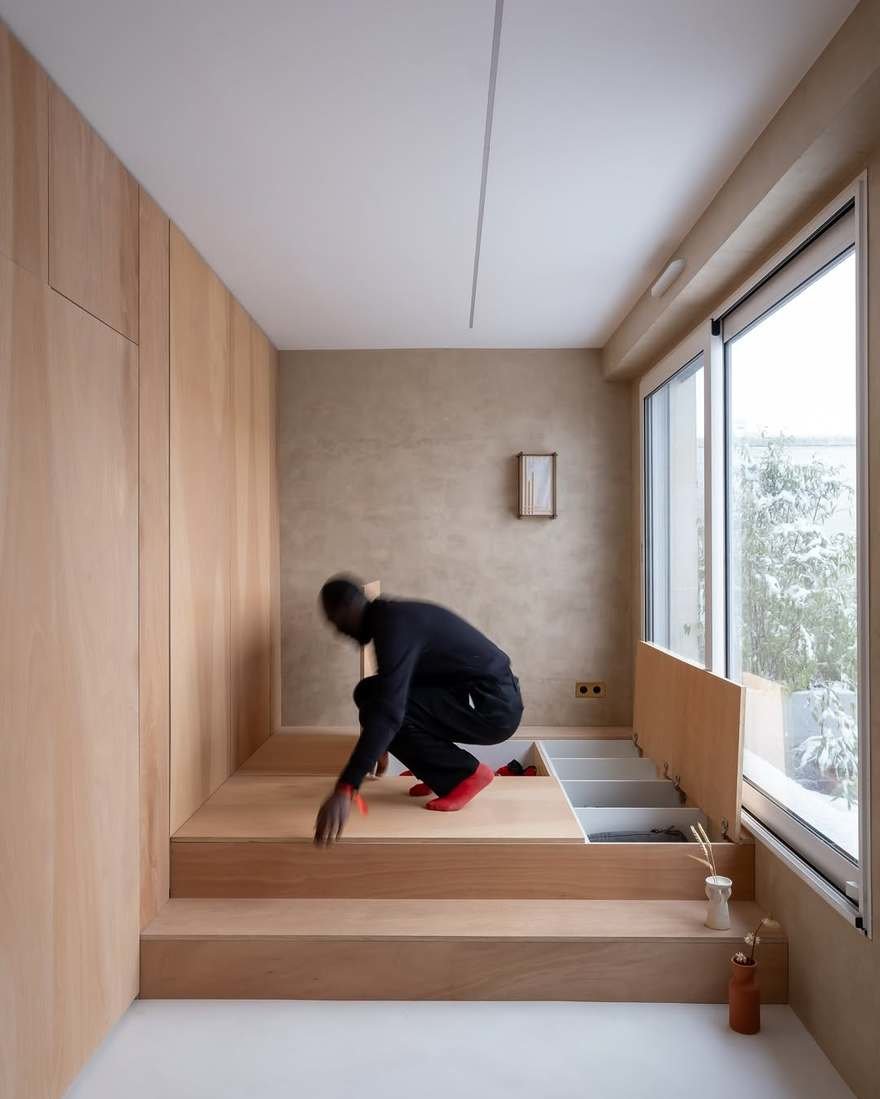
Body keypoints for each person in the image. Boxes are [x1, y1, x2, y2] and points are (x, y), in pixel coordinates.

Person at [314, 575, 524, 845]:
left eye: (335, 621)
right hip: (474, 696)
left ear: (347, 607)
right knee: (368, 693)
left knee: (381, 709)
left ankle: (465, 775)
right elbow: (394, 691)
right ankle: (439, 774)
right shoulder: (391, 619)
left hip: (493, 708)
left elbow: (390, 710)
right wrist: (379, 742)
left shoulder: (393, 625)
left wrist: (346, 788)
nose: (338, 631)